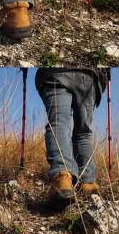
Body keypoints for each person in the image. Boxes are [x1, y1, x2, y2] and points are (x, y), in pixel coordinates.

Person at [35, 68, 107, 209]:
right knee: (84, 133)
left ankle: (62, 179)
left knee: (58, 124)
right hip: (89, 76)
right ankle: (88, 183)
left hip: (55, 73)